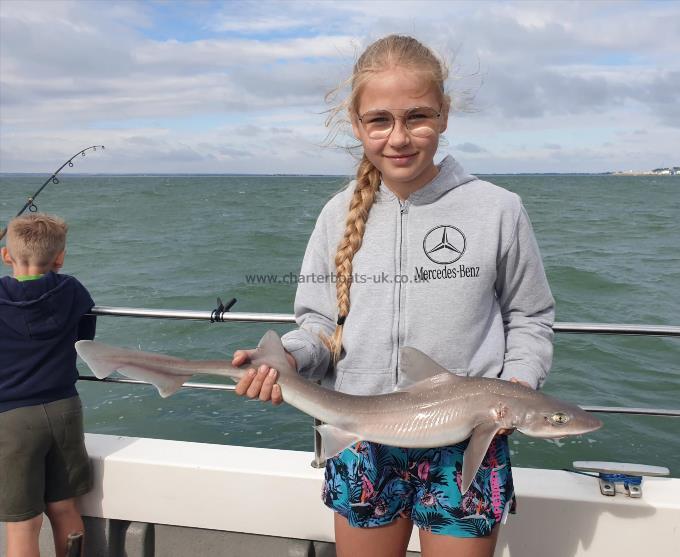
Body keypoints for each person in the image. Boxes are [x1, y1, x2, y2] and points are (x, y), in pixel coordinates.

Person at [232, 35, 554, 557]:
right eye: (380, 120)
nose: (399, 137)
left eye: (418, 116)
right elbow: (318, 325)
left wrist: (517, 387)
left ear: (444, 116)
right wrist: (287, 358)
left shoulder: (498, 209)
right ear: (358, 125)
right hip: (360, 438)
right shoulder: (337, 215)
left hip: (469, 438)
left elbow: (531, 314)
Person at [0, 213, 96, 557]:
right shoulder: (72, 290)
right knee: (64, 508)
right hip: (64, 409)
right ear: (60, 257)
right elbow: (85, 339)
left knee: (23, 523)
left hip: (10, 418)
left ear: (6, 255)